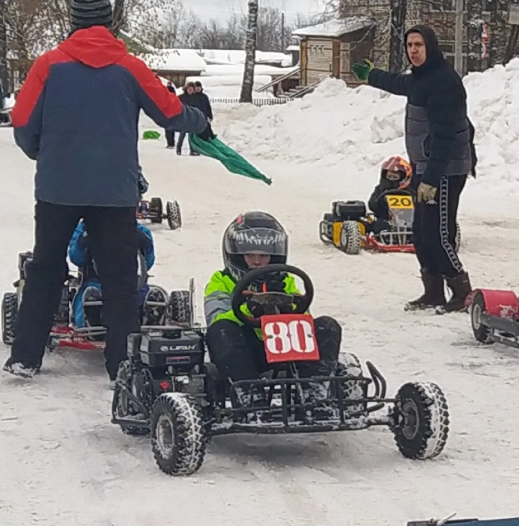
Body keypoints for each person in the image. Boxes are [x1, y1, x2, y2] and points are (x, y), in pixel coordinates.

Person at [6, 0, 208, 381]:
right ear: (110, 23)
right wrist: (201, 121)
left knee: (46, 268)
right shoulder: (130, 67)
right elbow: (171, 112)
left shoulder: (48, 64)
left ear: (73, 23)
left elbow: (21, 120)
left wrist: (41, 152)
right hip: (114, 190)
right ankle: (122, 364)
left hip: (57, 187)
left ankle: (25, 357)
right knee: (119, 277)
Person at [353, 25, 477, 313]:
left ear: (430, 47)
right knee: (421, 233)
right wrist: (372, 75)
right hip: (427, 166)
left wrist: (431, 178)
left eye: (418, 45)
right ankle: (433, 292)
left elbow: (445, 137)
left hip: (445, 168)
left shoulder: (443, 81)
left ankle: (462, 292)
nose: (413, 50)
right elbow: (400, 84)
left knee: (438, 233)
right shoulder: (421, 78)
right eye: (409, 45)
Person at [203, 212, 343, 402]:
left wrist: (286, 304)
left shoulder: (286, 280)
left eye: (264, 255)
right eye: (249, 255)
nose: (257, 262)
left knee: (328, 325)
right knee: (221, 331)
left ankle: (314, 392)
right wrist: (249, 309)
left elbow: (305, 321)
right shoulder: (220, 281)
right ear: (236, 255)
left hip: (289, 346)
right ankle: (250, 394)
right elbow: (216, 320)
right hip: (249, 351)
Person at [68, 217, 156, 329]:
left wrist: (146, 245)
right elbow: (76, 258)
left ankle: (149, 315)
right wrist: (82, 242)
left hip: (132, 281)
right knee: (89, 296)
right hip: (96, 281)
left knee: (142, 294)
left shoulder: (140, 231)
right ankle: (92, 320)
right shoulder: (83, 229)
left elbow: (147, 263)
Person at [367, 155, 413, 231]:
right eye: (389, 176)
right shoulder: (380, 189)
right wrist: (380, 202)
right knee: (379, 225)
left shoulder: (409, 191)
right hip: (385, 219)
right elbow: (372, 204)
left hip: (406, 221)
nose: (391, 179)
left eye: (395, 177)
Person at [175, 83, 200, 156]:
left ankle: (193, 150)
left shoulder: (195, 98)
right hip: (184, 118)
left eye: (192, 89)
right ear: (186, 89)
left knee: (192, 136)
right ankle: (179, 148)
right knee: (182, 134)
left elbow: (198, 107)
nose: (190, 90)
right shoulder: (181, 97)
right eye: (189, 88)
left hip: (193, 118)